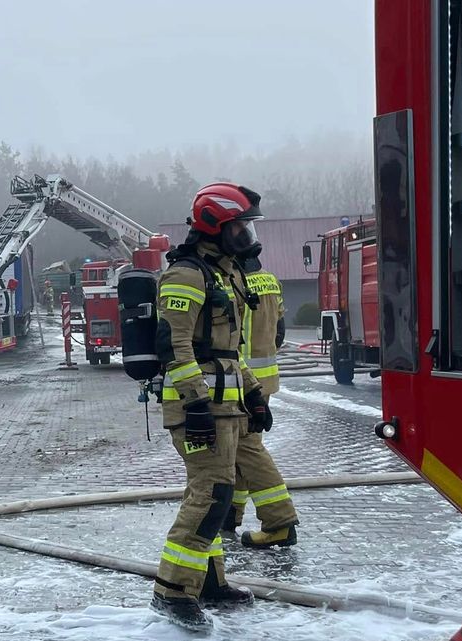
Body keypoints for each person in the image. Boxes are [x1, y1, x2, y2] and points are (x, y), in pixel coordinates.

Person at [150, 183, 274, 631]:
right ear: (213, 226)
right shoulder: (186, 275)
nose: (245, 234)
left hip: (228, 409)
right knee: (211, 495)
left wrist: (254, 393)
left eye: (246, 225)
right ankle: (171, 591)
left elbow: (230, 353)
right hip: (200, 411)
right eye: (238, 225)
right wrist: (196, 404)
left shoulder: (225, 274)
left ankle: (208, 582)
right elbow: (174, 345)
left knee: (216, 500)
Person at [224, 255, 300, 548]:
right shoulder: (270, 280)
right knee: (240, 448)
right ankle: (231, 513)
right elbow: (279, 331)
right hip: (263, 378)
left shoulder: (235, 284)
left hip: (242, 380)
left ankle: (279, 521)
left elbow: (228, 337)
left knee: (246, 447)